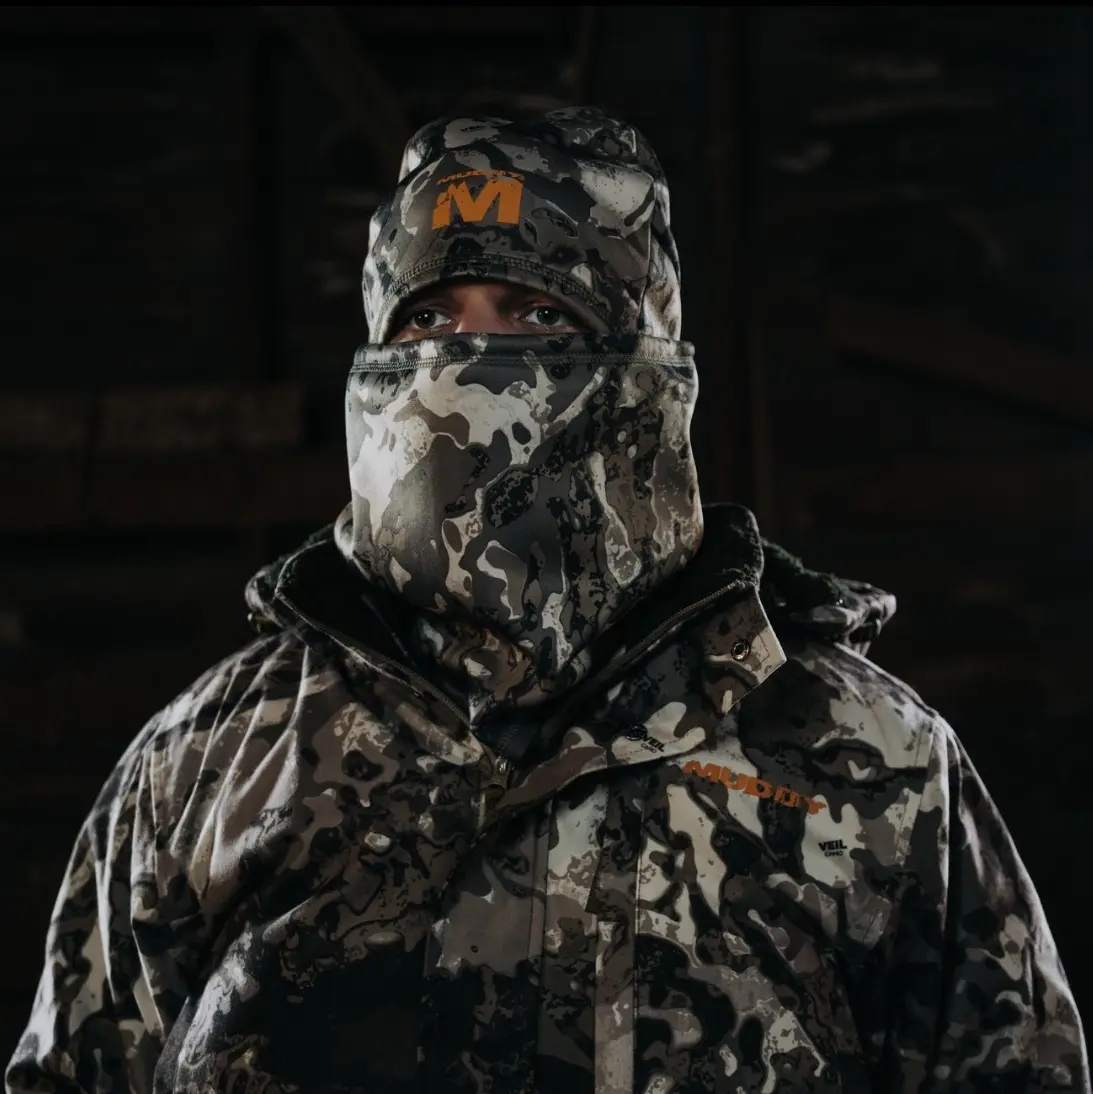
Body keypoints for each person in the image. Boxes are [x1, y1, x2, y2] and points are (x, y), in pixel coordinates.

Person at [6, 107, 1087, 1094]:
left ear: (646, 362)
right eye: (426, 317)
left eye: (537, 311)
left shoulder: (872, 758)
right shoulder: (209, 763)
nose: (465, 358)